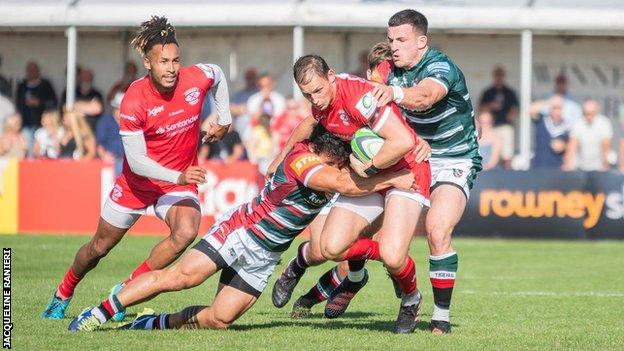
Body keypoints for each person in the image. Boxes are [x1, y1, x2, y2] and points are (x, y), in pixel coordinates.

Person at [67, 125, 417, 332]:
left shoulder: (332, 165)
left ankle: (152, 324)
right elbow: (346, 185)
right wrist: (396, 177)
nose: (340, 169)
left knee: (219, 320)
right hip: (241, 232)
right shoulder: (303, 158)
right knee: (182, 278)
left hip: (265, 256)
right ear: (324, 154)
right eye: (337, 164)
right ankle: (99, 312)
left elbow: (345, 193)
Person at [42, 15, 232, 320]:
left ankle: (127, 288)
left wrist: (223, 118)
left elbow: (219, 74)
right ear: (147, 62)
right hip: (137, 184)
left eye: (175, 61)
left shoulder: (196, 77)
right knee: (98, 248)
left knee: (185, 232)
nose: (171, 68)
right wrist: (179, 174)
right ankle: (64, 291)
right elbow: (139, 162)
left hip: (177, 184)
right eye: (163, 62)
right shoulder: (134, 99)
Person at [269, 54, 431, 334]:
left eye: (318, 90)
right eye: (307, 94)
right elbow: (309, 125)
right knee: (330, 247)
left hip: (406, 174)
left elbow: (404, 141)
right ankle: (361, 275)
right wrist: (280, 157)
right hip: (374, 174)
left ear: (331, 75)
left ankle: (411, 298)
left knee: (393, 256)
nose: (315, 99)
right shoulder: (320, 104)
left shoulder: (358, 97)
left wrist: (369, 167)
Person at [367, 9, 482, 334]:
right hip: (415, 159)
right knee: (387, 245)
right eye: (390, 40)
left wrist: (395, 93)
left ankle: (441, 318)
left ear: (422, 41)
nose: (394, 46)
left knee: (437, 229)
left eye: (401, 40)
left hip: (454, 159)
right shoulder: (387, 71)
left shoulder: (440, 66)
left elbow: (426, 96)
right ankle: (402, 293)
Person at [479, 66, 518, 169]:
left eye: (501, 75)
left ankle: (507, 172)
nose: (499, 78)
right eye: (497, 75)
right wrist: (491, 105)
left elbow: (515, 108)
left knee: (507, 153)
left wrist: (510, 115)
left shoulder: (509, 92)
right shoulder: (488, 92)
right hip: (489, 127)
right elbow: (480, 108)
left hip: (504, 125)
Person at [16, 60, 57, 151]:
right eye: (29, 70)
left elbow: (53, 102)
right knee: (26, 148)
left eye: (33, 70)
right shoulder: (22, 86)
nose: (31, 72)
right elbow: (18, 103)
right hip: (25, 124)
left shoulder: (45, 85)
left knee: (40, 148)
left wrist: (39, 102)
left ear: (38, 71)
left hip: (42, 124)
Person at [563, 100, 613, 171]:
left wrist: (605, 164)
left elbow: (606, 146)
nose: (589, 116)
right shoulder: (578, 123)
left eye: (592, 113)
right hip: (580, 166)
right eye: (586, 113)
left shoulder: (604, 123)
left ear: (596, 112)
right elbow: (572, 145)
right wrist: (567, 164)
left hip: (598, 166)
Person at [529, 95, 570, 169]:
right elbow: (530, 109)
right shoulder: (542, 120)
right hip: (538, 167)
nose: (557, 111)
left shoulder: (566, 127)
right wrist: (549, 102)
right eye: (554, 108)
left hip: (557, 168)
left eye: (559, 108)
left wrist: (563, 146)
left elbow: (569, 146)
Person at [62, 68, 104, 134]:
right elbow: (66, 108)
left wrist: (76, 106)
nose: (86, 80)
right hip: (74, 129)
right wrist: (89, 106)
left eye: (89, 78)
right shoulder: (70, 92)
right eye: (84, 78)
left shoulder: (96, 94)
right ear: (80, 79)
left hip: (92, 130)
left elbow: (97, 109)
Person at [96, 93, 125, 174]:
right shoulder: (105, 121)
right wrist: (104, 155)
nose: (120, 111)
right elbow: (99, 144)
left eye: (123, 108)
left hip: (128, 163)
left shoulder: (131, 122)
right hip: (110, 161)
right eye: (118, 108)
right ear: (114, 108)